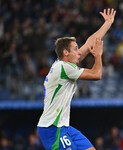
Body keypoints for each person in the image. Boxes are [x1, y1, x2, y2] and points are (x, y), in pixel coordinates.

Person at [37, 8, 116, 150]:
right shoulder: (63, 68)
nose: (79, 52)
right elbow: (96, 75)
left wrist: (107, 23)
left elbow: (90, 42)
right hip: (52, 128)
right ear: (65, 52)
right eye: (75, 49)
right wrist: (98, 56)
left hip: (63, 126)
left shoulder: (65, 66)